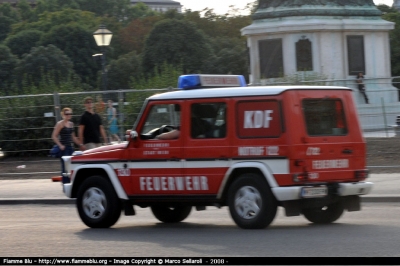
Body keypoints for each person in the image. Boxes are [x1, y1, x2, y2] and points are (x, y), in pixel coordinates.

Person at [51, 108, 83, 181]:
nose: (69, 115)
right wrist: (60, 145)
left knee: (72, 166)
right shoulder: (60, 124)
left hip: (70, 148)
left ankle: (71, 184)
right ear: (63, 115)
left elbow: (73, 137)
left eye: (70, 114)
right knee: (65, 168)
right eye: (67, 114)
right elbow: (54, 136)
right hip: (64, 148)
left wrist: (80, 145)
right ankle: (65, 185)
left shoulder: (71, 124)